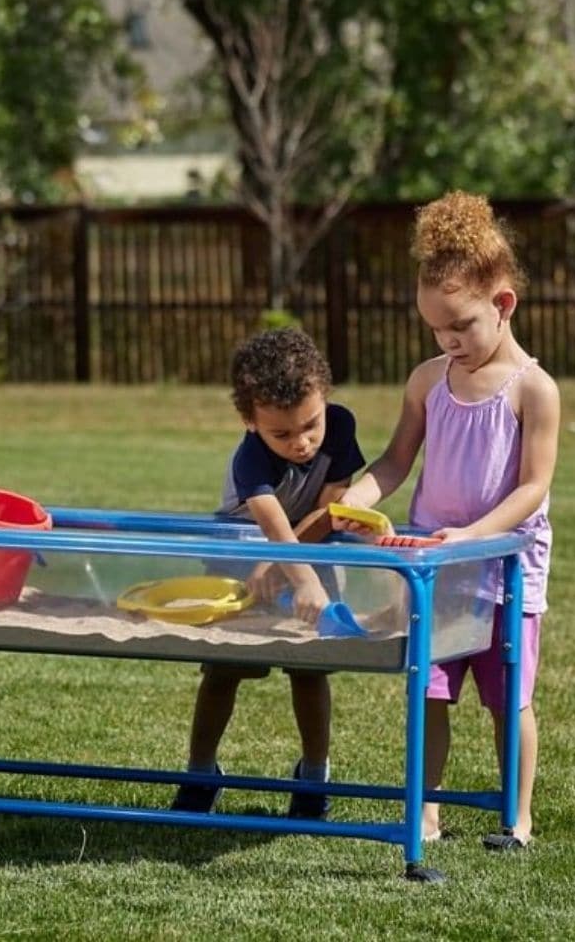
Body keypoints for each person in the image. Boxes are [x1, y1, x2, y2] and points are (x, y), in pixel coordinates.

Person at [335, 190, 559, 850]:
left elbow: (534, 488)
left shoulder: (533, 389)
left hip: (503, 569)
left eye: (459, 324)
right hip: (435, 569)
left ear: (503, 304)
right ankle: (426, 812)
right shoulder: (428, 380)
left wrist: (475, 534)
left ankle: (516, 817)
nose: (447, 340)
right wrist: (361, 499)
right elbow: (396, 460)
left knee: (507, 698)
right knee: (430, 694)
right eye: (434, 327)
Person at [171, 326, 366, 817]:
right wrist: (288, 574)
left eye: (310, 426)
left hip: (314, 550)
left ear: (325, 397)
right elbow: (273, 529)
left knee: (309, 670)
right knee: (223, 670)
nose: (301, 443)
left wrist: (306, 583)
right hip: (244, 551)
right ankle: (201, 773)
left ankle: (314, 776)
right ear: (250, 421)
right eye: (282, 433)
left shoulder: (340, 427)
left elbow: (330, 511)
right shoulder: (249, 459)